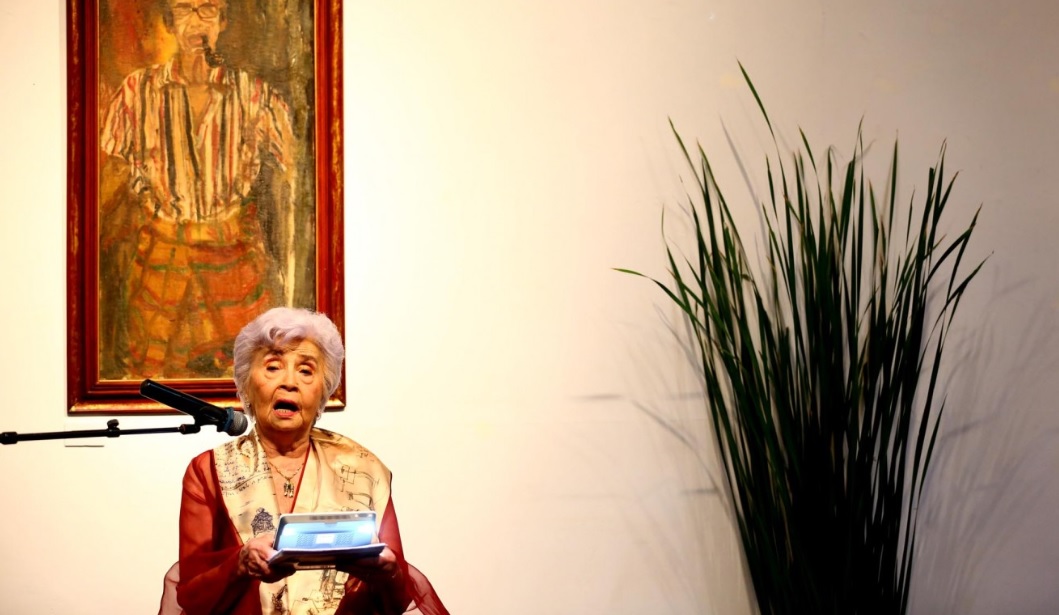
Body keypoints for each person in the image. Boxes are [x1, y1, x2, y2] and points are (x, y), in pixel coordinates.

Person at [173, 307, 449, 614]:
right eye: (273, 367)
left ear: (324, 392)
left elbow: (396, 599)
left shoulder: (363, 467)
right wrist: (240, 564)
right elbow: (192, 599)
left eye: (306, 371)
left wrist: (386, 571)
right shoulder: (209, 470)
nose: (290, 382)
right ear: (246, 385)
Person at [99, 0, 298, 379]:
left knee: (248, 375)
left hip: (233, 261)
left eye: (207, 9)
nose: (196, 21)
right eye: (184, 9)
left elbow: (295, 175)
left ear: (222, 21)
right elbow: (107, 180)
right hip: (161, 258)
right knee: (152, 376)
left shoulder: (253, 95)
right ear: (169, 21)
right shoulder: (136, 92)